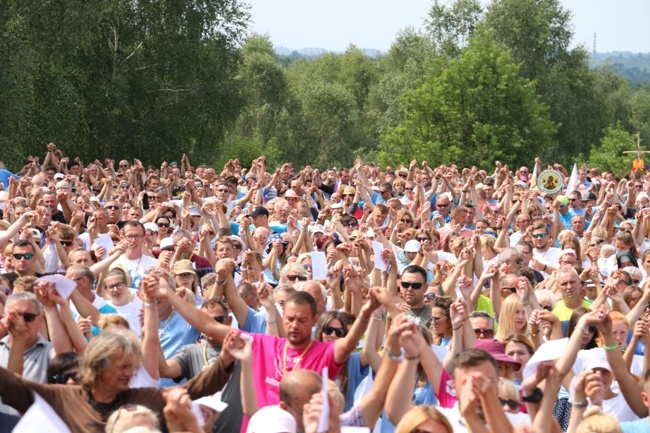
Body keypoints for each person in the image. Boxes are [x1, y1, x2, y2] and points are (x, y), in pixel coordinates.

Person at [0, 312, 237, 433]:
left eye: (132, 365)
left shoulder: (140, 399)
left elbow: (192, 389)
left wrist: (225, 359)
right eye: (122, 366)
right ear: (98, 365)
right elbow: (11, 384)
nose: (130, 372)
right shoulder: (60, 397)